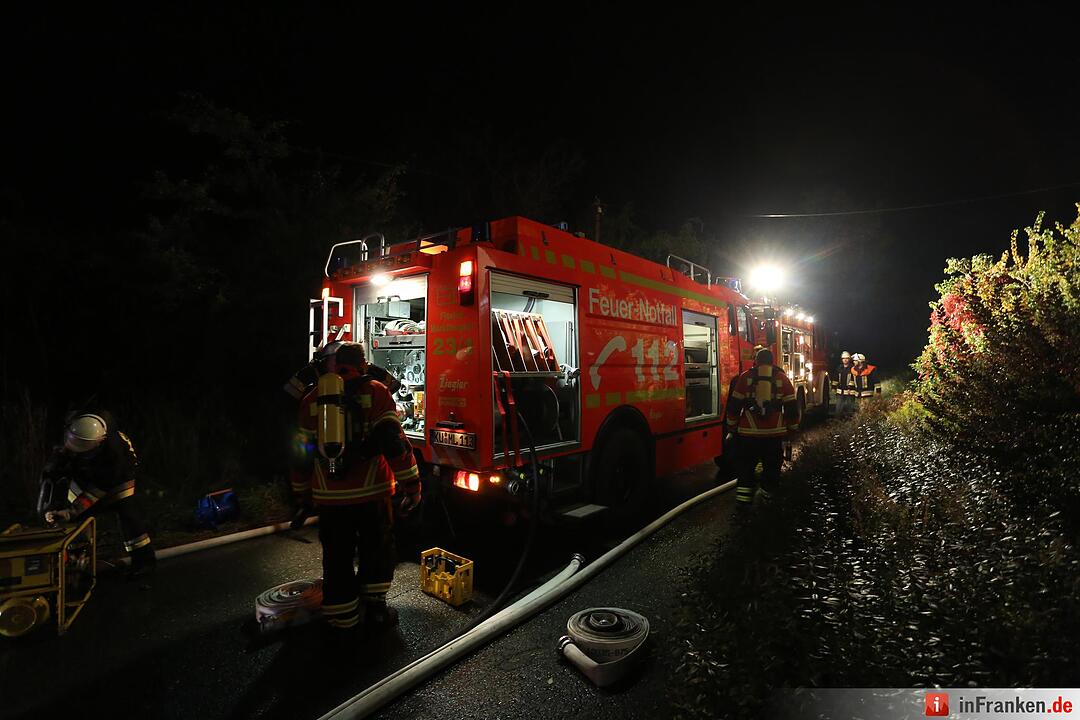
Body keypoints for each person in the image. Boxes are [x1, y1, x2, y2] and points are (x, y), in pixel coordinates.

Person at [291, 341, 421, 636]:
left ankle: (343, 622)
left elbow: (299, 454)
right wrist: (412, 485)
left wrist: (301, 492)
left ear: (334, 366)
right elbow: (394, 442)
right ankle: (375, 612)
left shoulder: (312, 399)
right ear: (363, 364)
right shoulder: (376, 391)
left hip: (329, 499)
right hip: (372, 493)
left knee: (336, 557)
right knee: (376, 550)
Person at [41, 411, 157, 578]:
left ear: (98, 444)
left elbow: (96, 492)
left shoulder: (115, 458)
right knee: (71, 505)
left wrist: (71, 511)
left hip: (120, 479)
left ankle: (144, 561)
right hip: (89, 470)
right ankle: (71, 557)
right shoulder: (80, 425)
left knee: (128, 513)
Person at [724, 348, 801, 510]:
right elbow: (792, 409)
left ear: (756, 361)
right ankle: (768, 506)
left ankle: (743, 509)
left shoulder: (745, 378)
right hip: (774, 436)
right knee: (771, 470)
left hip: (747, 435)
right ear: (772, 361)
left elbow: (733, 406)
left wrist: (732, 427)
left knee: (745, 471)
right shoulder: (782, 378)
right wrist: (792, 430)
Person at [832, 350, 856, 416]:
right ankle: (838, 422)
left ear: (849, 359)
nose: (845, 360)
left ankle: (850, 423)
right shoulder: (839, 368)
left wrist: (850, 387)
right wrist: (833, 387)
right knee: (838, 409)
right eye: (843, 358)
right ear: (842, 359)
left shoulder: (853, 368)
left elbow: (853, 379)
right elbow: (835, 378)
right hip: (840, 391)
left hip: (850, 392)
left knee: (850, 409)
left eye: (846, 358)